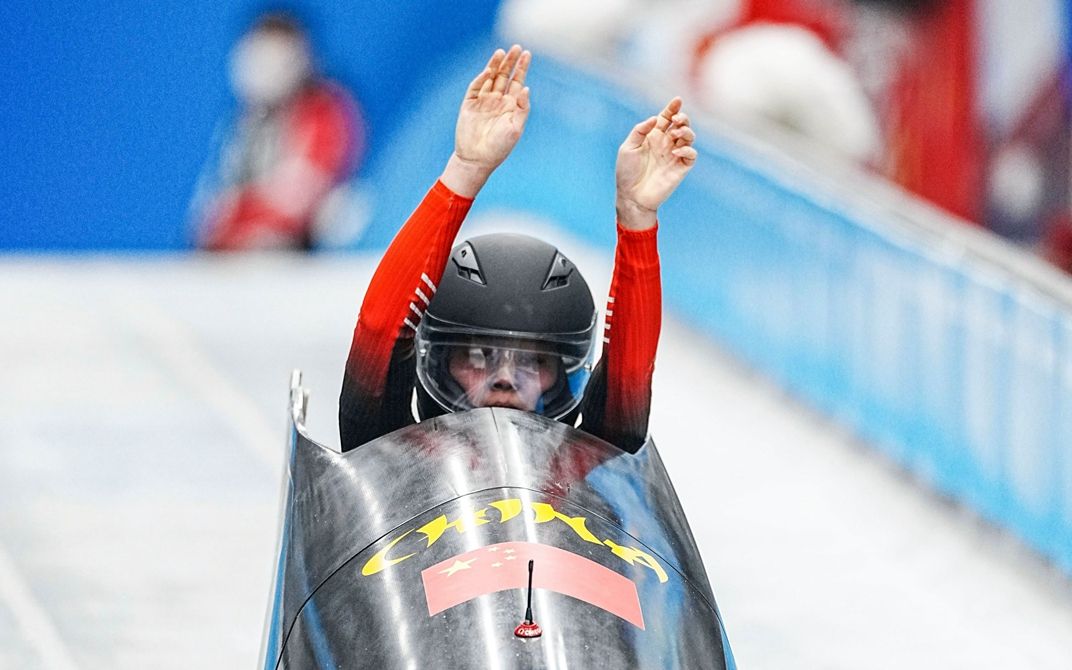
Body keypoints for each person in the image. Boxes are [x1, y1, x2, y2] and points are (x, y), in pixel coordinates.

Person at [339, 45, 696, 453]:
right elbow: (380, 331)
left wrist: (636, 216)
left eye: (535, 362)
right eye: (477, 356)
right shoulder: (387, 451)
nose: (506, 379)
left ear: (567, 377)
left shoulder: (594, 466)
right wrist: (466, 169)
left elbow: (627, 382)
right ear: (434, 364)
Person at [192, 13, 362, 251]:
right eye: (256, 59)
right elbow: (211, 213)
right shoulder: (245, 121)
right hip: (232, 253)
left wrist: (242, 214)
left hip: (295, 253)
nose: (262, 70)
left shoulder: (323, 110)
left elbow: (295, 201)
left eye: (272, 59)